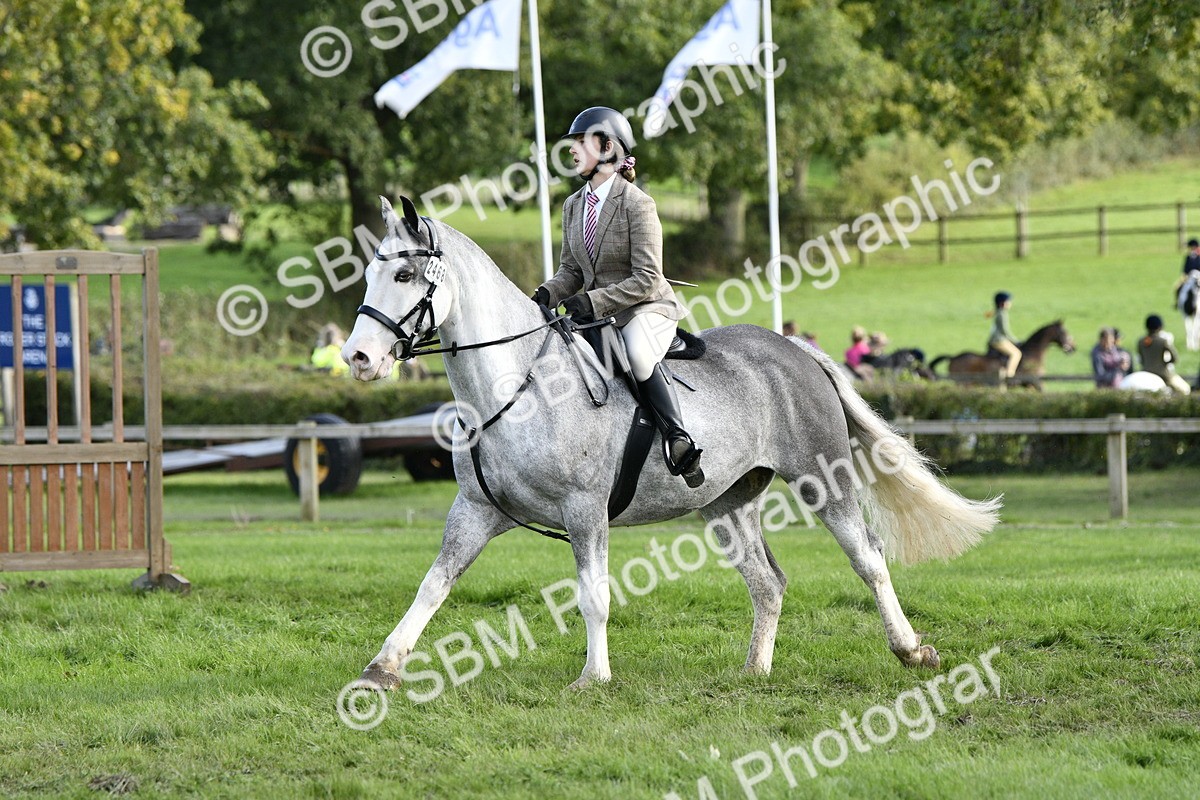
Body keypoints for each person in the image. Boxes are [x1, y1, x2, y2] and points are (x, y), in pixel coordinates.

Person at [532, 107, 703, 487]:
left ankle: (679, 438)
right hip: (602, 317)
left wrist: (591, 302)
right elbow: (572, 271)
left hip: (647, 308)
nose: (573, 151)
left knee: (638, 354)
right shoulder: (573, 205)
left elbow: (647, 278)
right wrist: (546, 292)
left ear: (607, 147)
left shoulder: (637, 204)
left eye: (581, 142)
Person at [1137, 314, 1191, 394]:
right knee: (1185, 389)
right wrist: (1165, 363)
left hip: (1145, 371)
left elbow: (1141, 359)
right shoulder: (1163, 341)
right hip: (1162, 373)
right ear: (1160, 327)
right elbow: (1175, 358)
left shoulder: (1141, 341)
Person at [987, 291, 1021, 378]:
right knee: (1016, 354)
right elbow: (1004, 331)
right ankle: (1009, 374)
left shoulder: (998, 312)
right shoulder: (1003, 314)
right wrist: (1015, 340)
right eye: (1008, 301)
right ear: (1003, 303)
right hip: (999, 340)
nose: (1010, 303)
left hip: (997, 339)